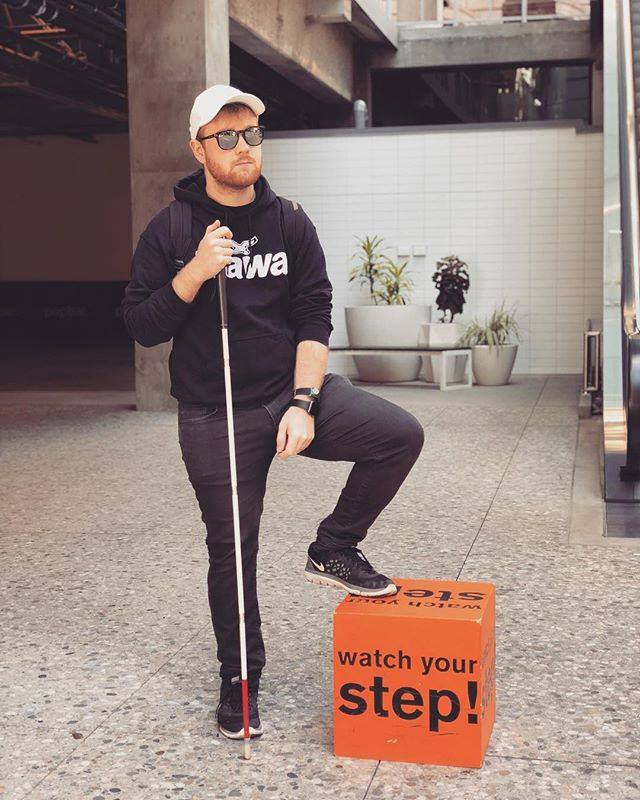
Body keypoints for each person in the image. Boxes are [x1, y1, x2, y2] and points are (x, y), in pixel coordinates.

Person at [120, 84, 425, 741]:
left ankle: (334, 546)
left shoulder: (289, 220)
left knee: (399, 435)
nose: (243, 148)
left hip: (290, 390)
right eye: (226, 137)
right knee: (233, 549)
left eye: (252, 134)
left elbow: (314, 312)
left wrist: (304, 402)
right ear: (198, 148)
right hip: (214, 412)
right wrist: (194, 273)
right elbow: (141, 325)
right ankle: (240, 680)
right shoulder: (172, 230)